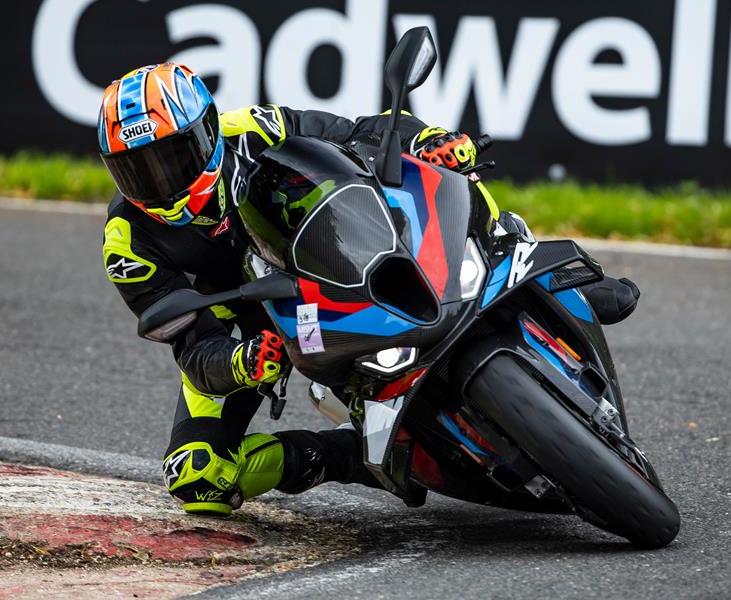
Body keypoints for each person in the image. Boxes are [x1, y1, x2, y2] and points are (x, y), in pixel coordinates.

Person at [97, 62, 640, 517]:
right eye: (138, 170)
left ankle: (533, 275)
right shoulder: (127, 242)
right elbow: (191, 345)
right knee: (197, 478)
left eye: (172, 159)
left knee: (446, 173)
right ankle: (357, 456)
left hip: (325, 255)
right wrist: (240, 363)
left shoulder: (253, 129)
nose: (160, 182)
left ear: (208, 132)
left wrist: (429, 140)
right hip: (247, 325)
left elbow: (355, 131)